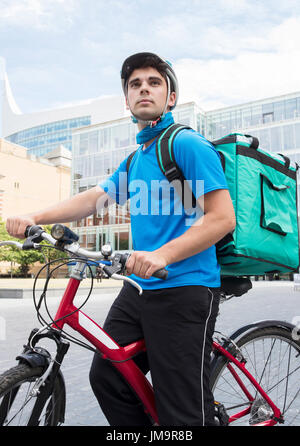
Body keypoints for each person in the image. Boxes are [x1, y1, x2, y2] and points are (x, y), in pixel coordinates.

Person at [6, 52, 235, 426]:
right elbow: (91, 199)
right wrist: (34, 215)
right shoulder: (135, 160)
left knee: (182, 410)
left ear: (170, 97)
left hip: (185, 286)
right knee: (108, 377)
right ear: (127, 100)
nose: (144, 88)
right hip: (139, 287)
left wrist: (162, 255)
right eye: (135, 85)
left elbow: (223, 218)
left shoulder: (186, 144)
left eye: (154, 82)